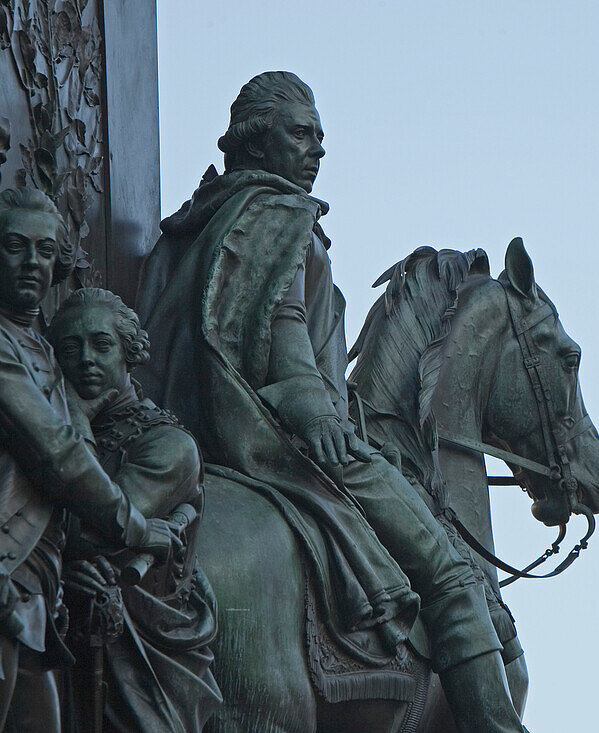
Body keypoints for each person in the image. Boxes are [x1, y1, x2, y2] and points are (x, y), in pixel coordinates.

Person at [137, 72, 527, 732]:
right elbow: (285, 325)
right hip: (283, 439)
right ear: (256, 143)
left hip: (190, 439)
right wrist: (318, 415)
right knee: (451, 573)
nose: (317, 150)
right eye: (300, 134)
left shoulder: (186, 231)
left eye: (320, 136)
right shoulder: (282, 218)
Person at [0, 187, 177, 731]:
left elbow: (73, 447)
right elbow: (56, 455)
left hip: (36, 595)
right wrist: (136, 527)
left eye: (46, 250)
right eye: (15, 246)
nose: (33, 261)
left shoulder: (43, 353)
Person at [47, 288, 222, 733]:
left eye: (101, 345)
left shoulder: (167, 445)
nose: (85, 358)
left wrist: (77, 422)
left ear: (129, 353)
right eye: (71, 348)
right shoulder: (40, 432)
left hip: (136, 662)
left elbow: (97, 529)